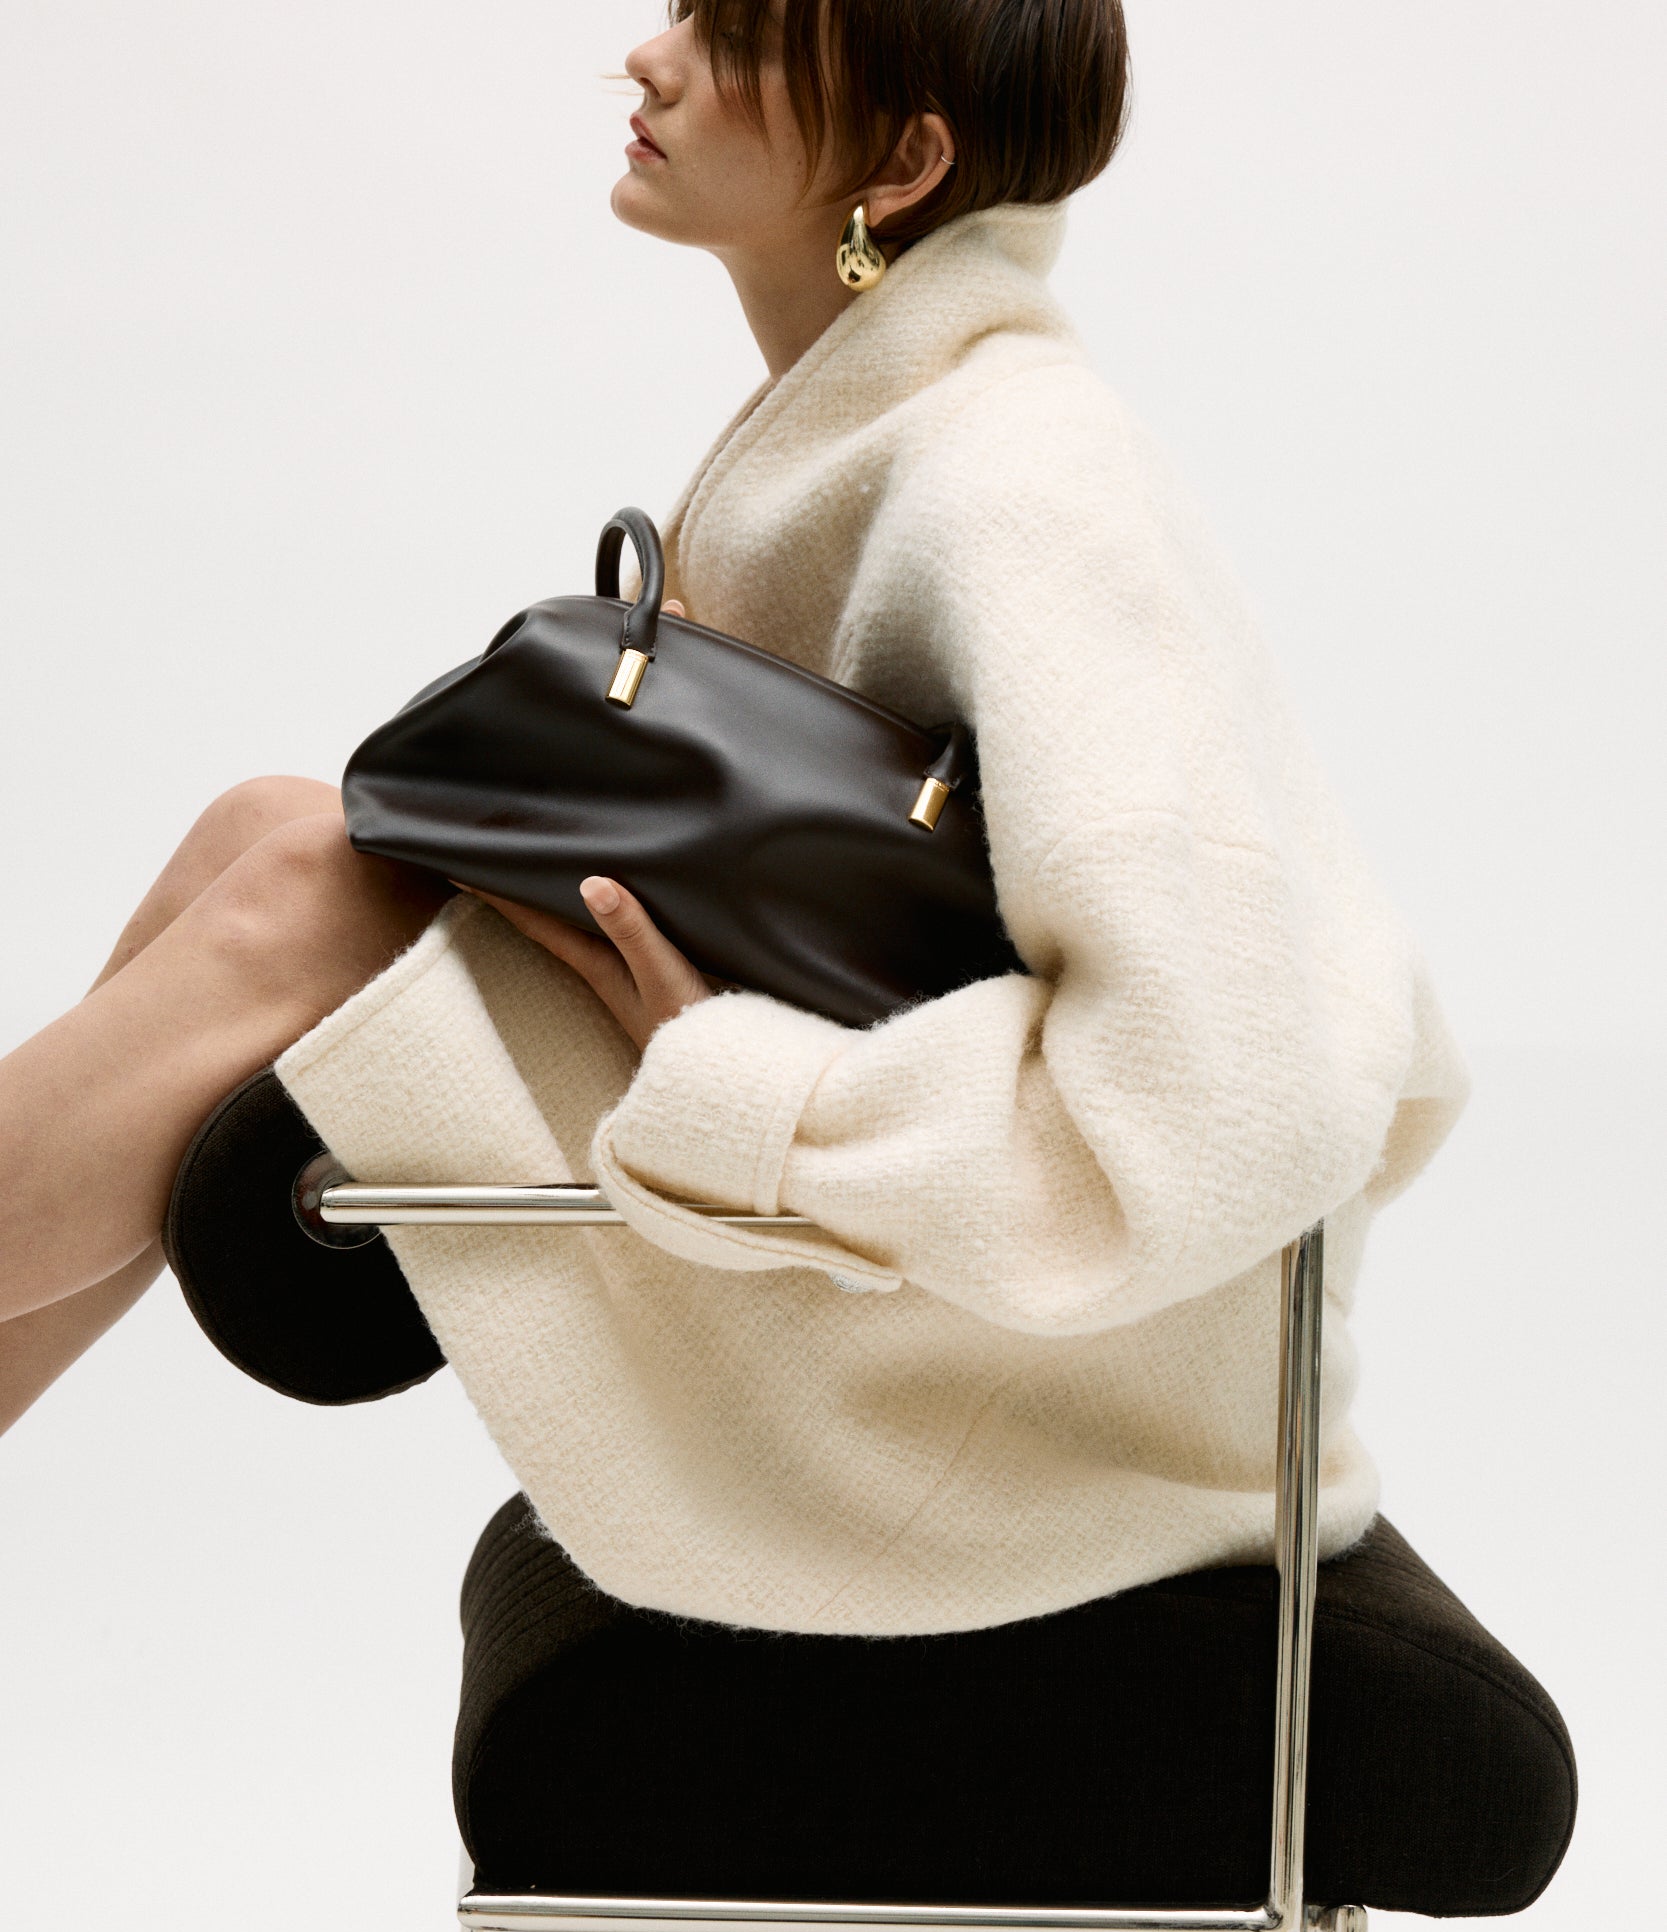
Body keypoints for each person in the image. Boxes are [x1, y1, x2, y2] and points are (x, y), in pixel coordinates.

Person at [0, 1, 1466, 1636]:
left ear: (903, 163)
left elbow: (1230, 1100)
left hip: (1056, 1419)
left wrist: (765, 1092)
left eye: (744, 37)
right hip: (917, 1273)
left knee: (306, 894)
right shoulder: (889, 423)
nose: (652, 59)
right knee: (264, 831)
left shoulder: (1026, 484)